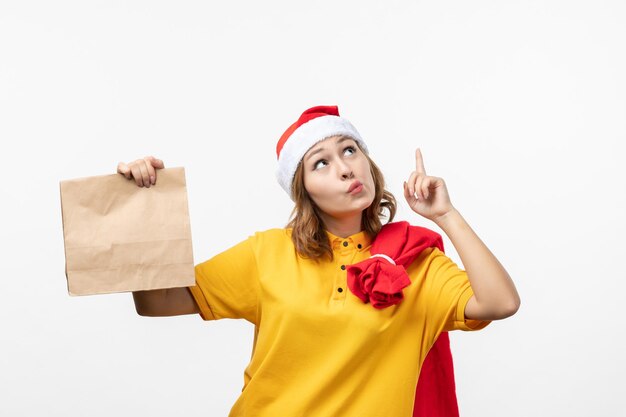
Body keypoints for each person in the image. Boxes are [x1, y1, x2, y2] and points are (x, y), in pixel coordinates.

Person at [119, 105, 520, 417]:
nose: (345, 168)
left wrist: (446, 216)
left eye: (349, 150)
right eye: (321, 163)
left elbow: (500, 303)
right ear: (304, 189)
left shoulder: (417, 263)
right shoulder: (267, 254)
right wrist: (142, 207)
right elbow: (155, 302)